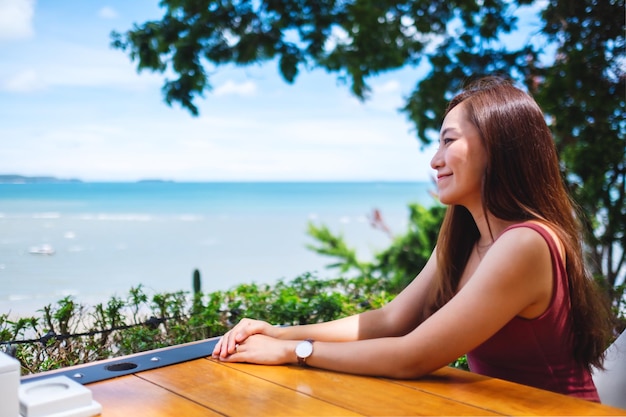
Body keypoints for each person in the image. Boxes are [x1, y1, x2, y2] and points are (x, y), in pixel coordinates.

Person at [212, 76, 614, 402]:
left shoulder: (527, 243)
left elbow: (413, 355)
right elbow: (390, 320)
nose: (435, 160)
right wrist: (279, 332)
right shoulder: (467, 239)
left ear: (498, 146)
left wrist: (293, 353)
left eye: (449, 141)